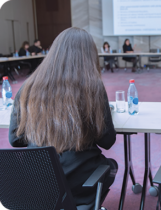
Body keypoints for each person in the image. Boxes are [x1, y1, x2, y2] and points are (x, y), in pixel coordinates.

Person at [9, 27, 118, 209]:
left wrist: (44, 127)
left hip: (37, 181)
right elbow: (107, 140)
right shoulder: (93, 88)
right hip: (80, 181)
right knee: (110, 166)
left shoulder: (27, 87)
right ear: (89, 56)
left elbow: (15, 139)